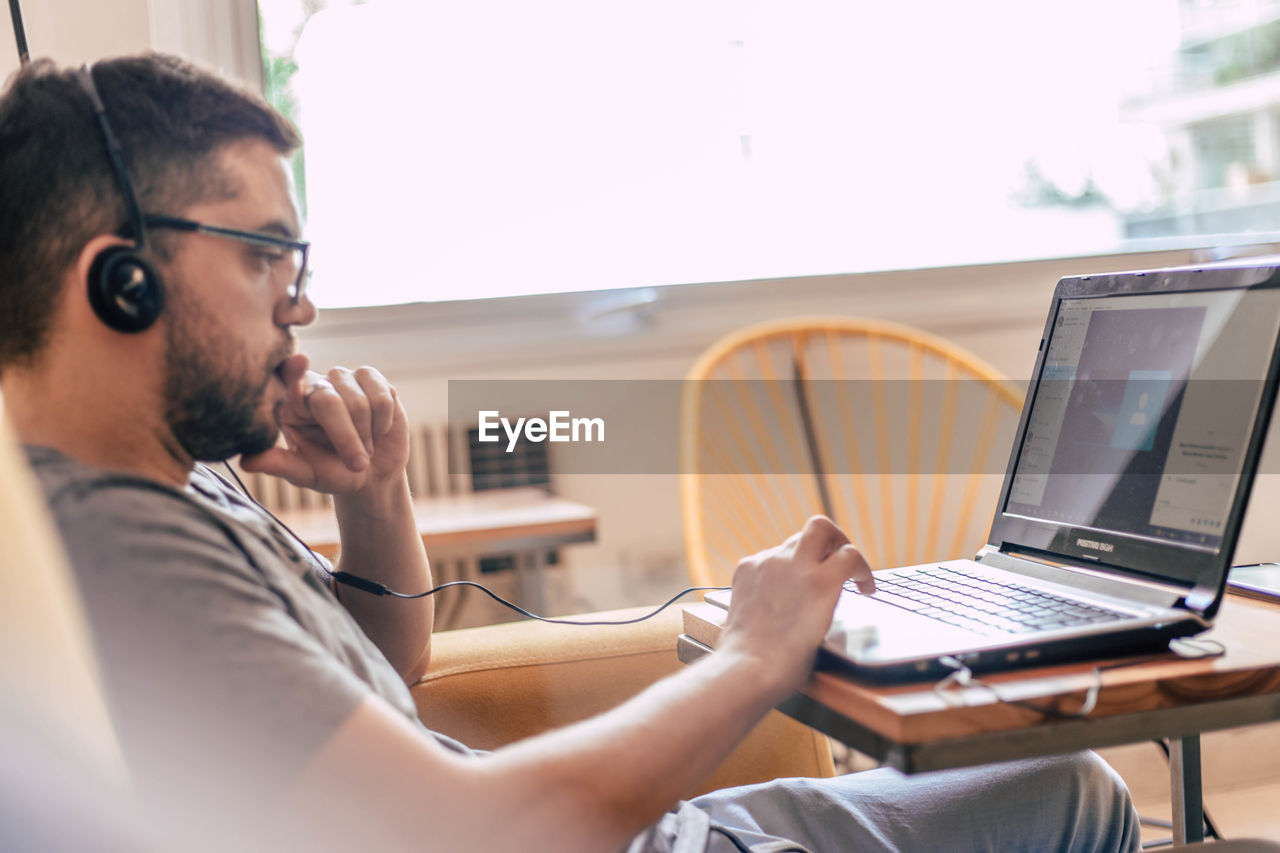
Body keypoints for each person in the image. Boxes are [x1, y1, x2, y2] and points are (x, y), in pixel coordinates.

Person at [0, 54, 1141, 852]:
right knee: (1075, 795)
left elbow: (382, 680)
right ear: (121, 278)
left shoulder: (173, 476)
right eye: (266, 256)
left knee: (1057, 779)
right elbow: (472, 837)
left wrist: (377, 496)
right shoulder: (114, 544)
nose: (299, 307)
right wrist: (751, 654)